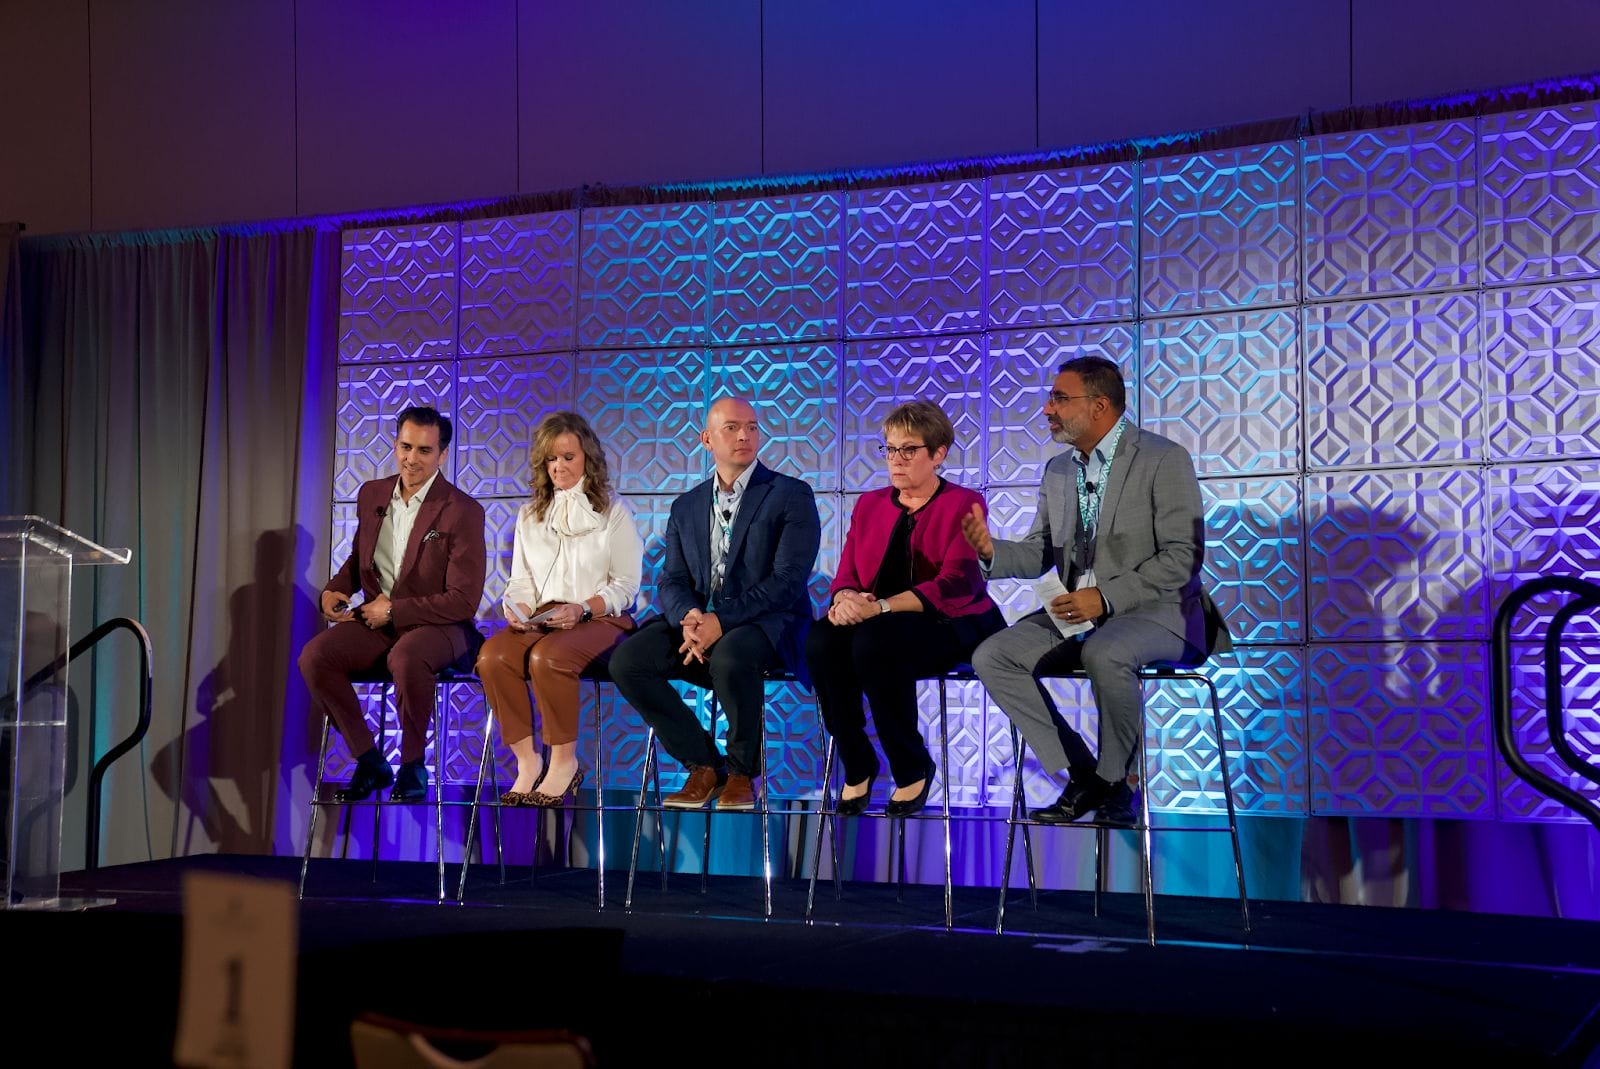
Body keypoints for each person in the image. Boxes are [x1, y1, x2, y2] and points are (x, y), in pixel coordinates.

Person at [964, 354, 1228, 826]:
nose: (1047, 409)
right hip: (1077, 614)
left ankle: (1119, 782)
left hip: (1160, 611)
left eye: (1059, 399)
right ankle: (1083, 773)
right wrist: (990, 551)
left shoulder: (1163, 458)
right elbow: (1040, 552)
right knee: (994, 656)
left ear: (1099, 406)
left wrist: (1105, 598)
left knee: (1105, 652)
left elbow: (1182, 556)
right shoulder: (1058, 470)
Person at [609, 397, 820, 811]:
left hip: (768, 621)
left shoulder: (790, 494)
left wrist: (718, 622)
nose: (745, 435)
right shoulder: (686, 505)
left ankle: (742, 772)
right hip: (702, 620)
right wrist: (690, 617)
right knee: (628, 661)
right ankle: (705, 764)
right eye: (732, 428)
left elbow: (787, 581)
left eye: (752, 427)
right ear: (706, 439)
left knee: (730, 655)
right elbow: (672, 578)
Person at [807, 401, 1007, 817]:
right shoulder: (870, 505)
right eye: (890, 449)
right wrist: (845, 600)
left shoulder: (964, 503)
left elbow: (958, 581)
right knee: (822, 639)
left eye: (909, 450)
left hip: (950, 619)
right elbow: (847, 573)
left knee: (875, 642)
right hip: (877, 619)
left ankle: (910, 764)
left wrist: (879, 607)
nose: (895, 460)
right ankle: (857, 761)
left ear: (938, 454)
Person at [298, 405, 487, 803]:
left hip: (442, 627)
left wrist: (394, 610)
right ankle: (370, 760)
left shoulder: (463, 510)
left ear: (442, 455)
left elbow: (463, 601)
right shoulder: (372, 493)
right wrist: (335, 590)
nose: (411, 459)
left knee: (407, 656)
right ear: (396, 444)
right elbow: (358, 559)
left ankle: (413, 765)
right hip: (380, 623)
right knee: (315, 657)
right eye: (405, 447)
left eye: (424, 450)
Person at [474, 411, 643, 807]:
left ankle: (564, 763)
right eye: (552, 458)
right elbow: (521, 581)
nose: (559, 466)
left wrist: (581, 608)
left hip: (600, 616)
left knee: (548, 657)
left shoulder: (614, 510)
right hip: (545, 616)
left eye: (568, 457)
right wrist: (516, 607)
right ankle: (528, 761)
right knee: (492, 656)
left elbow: (626, 586)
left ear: (588, 458)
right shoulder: (529, 515)